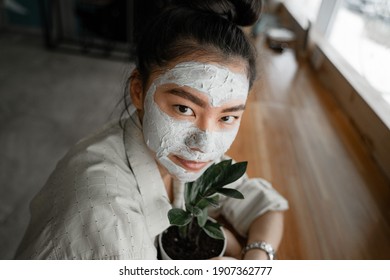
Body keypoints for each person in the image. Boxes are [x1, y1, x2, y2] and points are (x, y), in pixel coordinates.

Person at [15, 0, 288, 260]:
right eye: (184, 109)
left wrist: (257, 254)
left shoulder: (182, 154)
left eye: (227, 117)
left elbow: (265, 206)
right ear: (138, 90)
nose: (204, 143)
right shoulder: (108, 223)